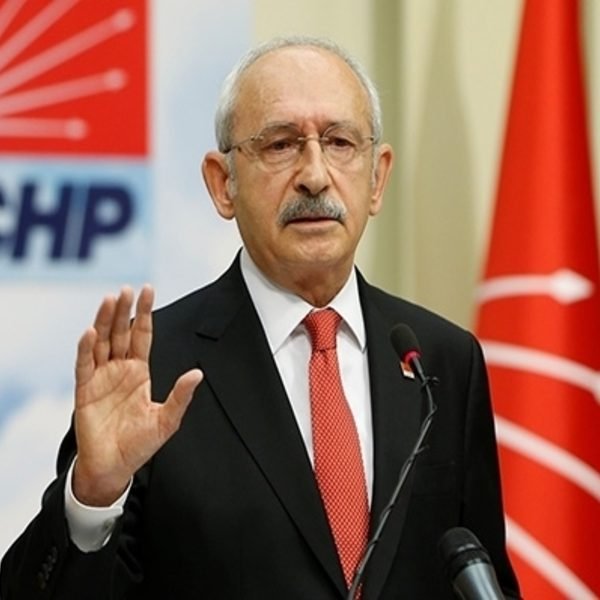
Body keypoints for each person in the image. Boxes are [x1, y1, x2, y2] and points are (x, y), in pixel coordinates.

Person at [0, 36, 520, 599]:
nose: (315, 175)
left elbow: (482, 576)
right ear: (222, 183)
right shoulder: (152, 368)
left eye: (340, 142)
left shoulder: (441, 360)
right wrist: (93, 498)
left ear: (377, 178)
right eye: (280, 145)